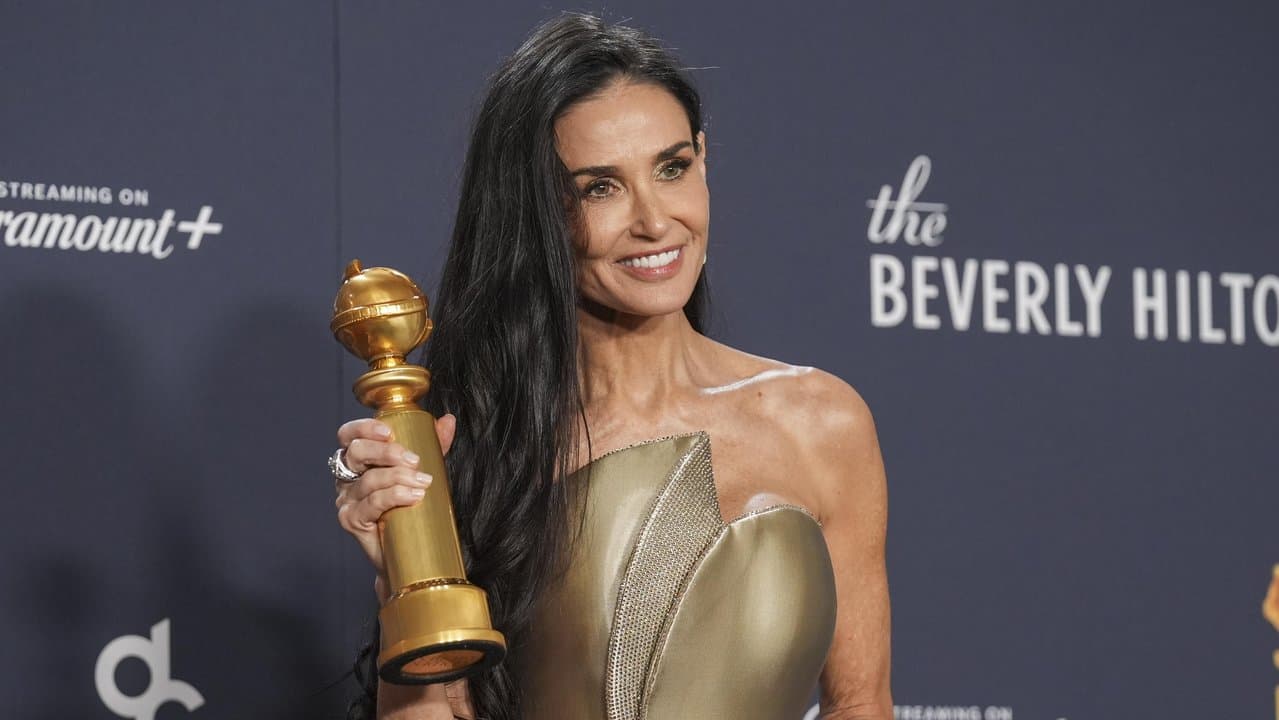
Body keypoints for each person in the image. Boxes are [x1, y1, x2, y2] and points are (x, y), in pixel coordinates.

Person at [331, 12, 891, 720]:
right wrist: (400, 583)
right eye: (600, 188)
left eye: (672, 167)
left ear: (704, 161)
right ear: (534, 210)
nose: (654, 221)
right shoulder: (472, 448)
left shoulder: (821, 422)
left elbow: (861, 706)